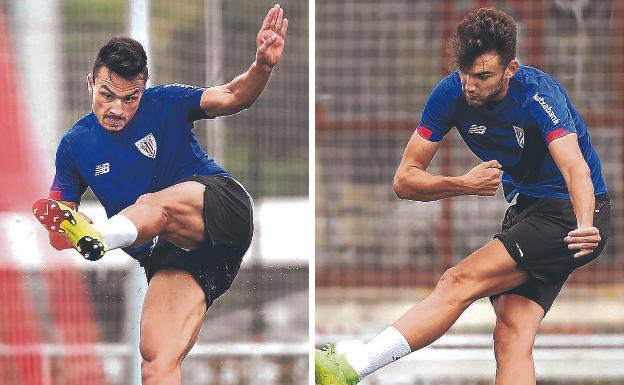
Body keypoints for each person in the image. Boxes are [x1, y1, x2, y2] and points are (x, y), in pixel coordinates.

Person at [316, 7, 610, 385]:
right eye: (465, 73)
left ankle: (348, 369)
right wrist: (463, 184)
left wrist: (585, 224)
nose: (471, 85)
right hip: (528, 211)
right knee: (511, 334)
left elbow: (576, 169)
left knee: (458, 281)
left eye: (483, 75)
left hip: (571, 216)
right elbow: (404, 180)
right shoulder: (450, 94)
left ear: (511, 69)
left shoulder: (539, 95)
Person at [32, 5, 287, 385]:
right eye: (107, 95)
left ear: (144, 90)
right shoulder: (74, 146)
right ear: (90, 83)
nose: (117, 108)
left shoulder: (166, 102)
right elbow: (57, 233)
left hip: (220, 206)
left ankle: (103, 237)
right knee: (155, 360)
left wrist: (262, 66)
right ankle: (100, 236)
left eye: (130, 98)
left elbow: (234, 96)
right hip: (174, 252)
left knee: (152, 205)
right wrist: (74, 228)